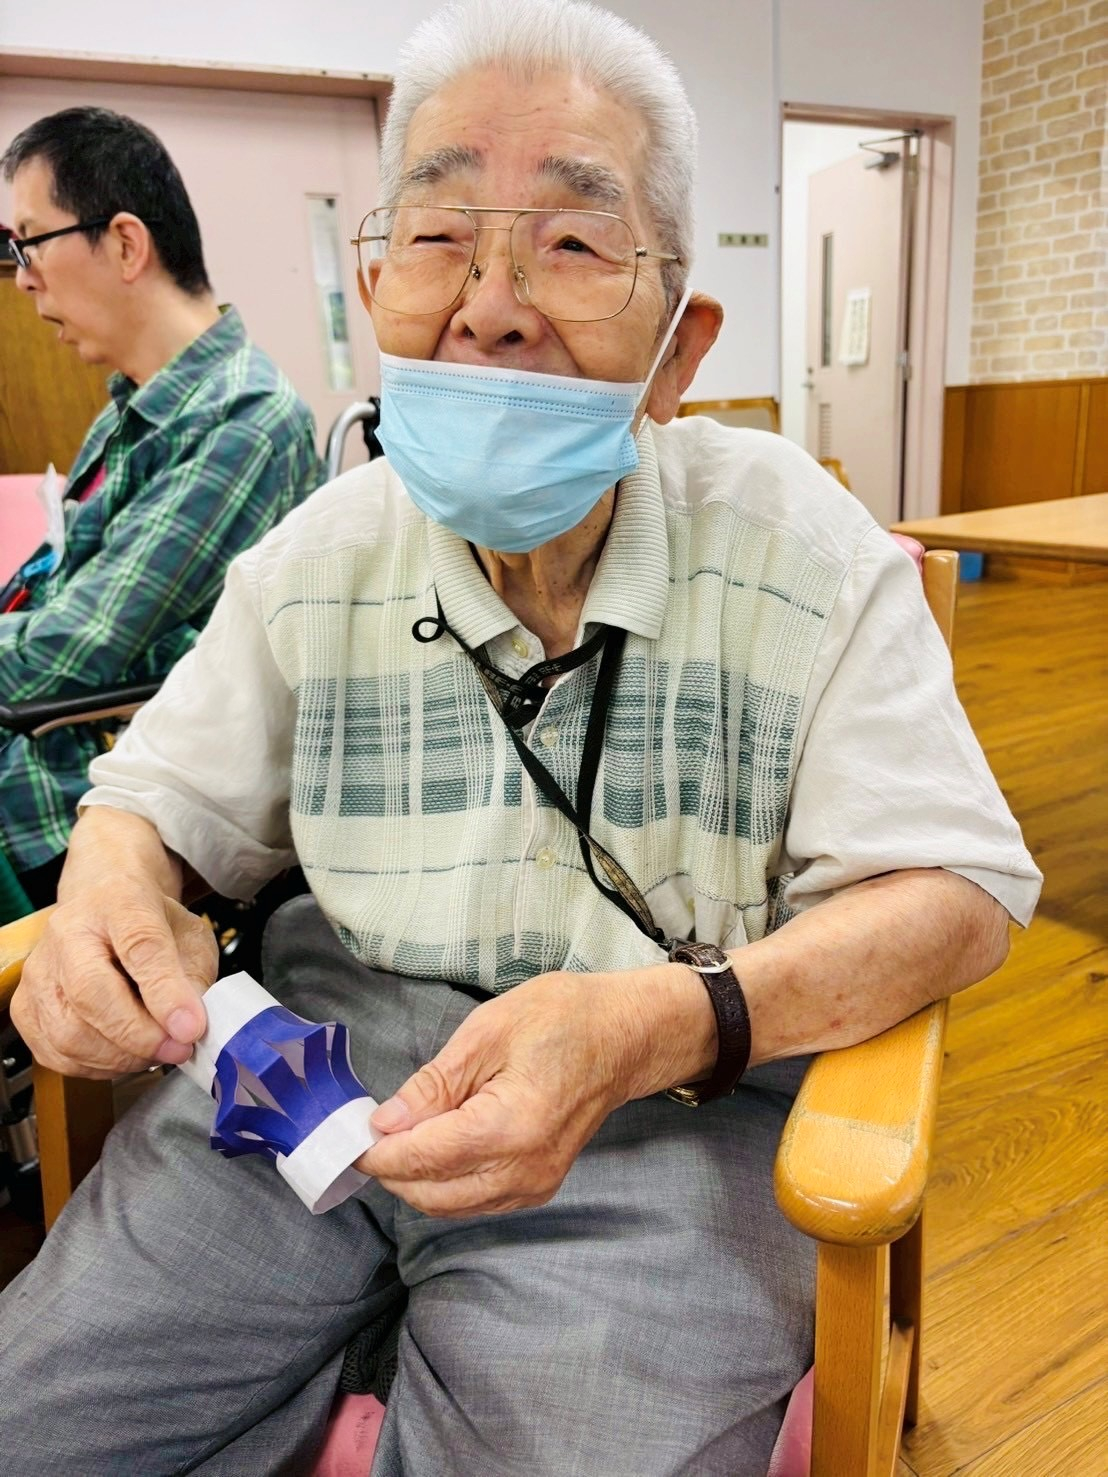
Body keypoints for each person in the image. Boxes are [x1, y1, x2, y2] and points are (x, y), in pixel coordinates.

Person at [0, 4, 1041, 1473]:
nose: (490, 305)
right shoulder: (316, 556)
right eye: (439, 237)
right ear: (378, 287)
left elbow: (954, 890)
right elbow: (150, 797)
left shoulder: (804, 547)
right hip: (311, 1073)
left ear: (678, 348)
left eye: (571, 241)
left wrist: (666, 1022)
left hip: (665, 1106)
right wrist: (111, 887)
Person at [0, 107, 323, 918]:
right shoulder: (132, 412)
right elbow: (55, 594)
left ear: (124, 245)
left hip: (81, 789)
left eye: (30, 243)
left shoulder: (243, 419)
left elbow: (78, 647)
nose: (23, 277)